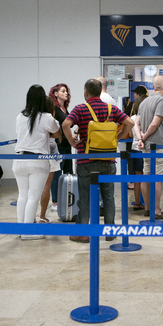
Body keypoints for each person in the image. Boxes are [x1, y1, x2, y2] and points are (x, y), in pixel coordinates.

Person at [63, 78, 134, 242]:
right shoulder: (111, 108)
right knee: (108, 196)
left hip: (86, 160)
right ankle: (110, 231)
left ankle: (82, 233)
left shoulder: (81, 108)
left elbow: (66, 124)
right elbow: (129, 123)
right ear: (100, 91)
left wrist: (72, 142)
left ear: (86, 92)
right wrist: (117, 138)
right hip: (108, 160)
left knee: (85, 197)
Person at [13, 85, 61, 240]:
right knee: (33, 196)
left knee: (22, 196)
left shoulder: (20, 116)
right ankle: (28, 232)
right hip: (37, 161)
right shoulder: (45, 117)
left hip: (19, 159)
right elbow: (57, 132)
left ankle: (21, 228)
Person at [136, 75, 163, 220]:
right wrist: (144, 137)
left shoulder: (144, 102)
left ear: (153, 87)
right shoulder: (161, 101)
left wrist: (141, 138)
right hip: (160, 146)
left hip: (146, 147)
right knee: (158, 179)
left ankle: (147, 208)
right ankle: (156, 210)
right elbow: (155, 123)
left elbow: (136, 123)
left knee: (146, 176)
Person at [47, 83, 73, 212]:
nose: (66, 93)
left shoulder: (65, 109)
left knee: (68, 172)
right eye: (63, 91)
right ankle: (55, 202)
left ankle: (68, 198)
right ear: (56, 94)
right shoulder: (53, 108)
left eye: (67, 91)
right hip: (58, 146)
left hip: (67, 144)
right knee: (57, 173)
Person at [36, 97, 62, 224]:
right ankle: (42, 216)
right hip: (50, 154)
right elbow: (58, 135)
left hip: (36, 154)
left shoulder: (33, 120)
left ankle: (32, 217)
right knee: (46, 186)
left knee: (34, 188)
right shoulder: (51, 120)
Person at [129, 94, 148, 210]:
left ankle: (137, 202)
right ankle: (148, 204)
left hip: (134, 149)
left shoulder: (132, 118)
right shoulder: (146, 117)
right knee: (147, 178)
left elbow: (131, 134)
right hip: (144, 149)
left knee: (137, 177)